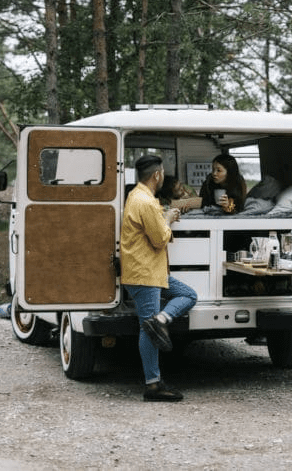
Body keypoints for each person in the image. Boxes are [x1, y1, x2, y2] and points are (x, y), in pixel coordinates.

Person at [120, 154, 198, 402]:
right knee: (148, 327)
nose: (163, 176)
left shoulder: (136, 195)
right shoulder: (146, 202)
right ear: (156, 175)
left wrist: (164, 216)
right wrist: (168, 219)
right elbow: (159, 238)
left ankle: (162, 319)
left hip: (147, 273)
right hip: (145, 274)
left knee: (187, 295)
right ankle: (153, 385)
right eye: (162, 172)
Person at [174, 154, 247, 214]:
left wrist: (229, 206)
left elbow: (239, 208)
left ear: (229, 172)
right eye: (213, 170)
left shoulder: (238, 185)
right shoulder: (208, 183)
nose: (214, 173)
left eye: (219, 170)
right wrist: (188, 207)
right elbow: (203, 204)